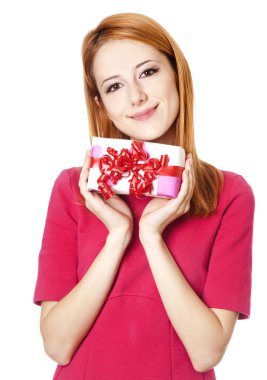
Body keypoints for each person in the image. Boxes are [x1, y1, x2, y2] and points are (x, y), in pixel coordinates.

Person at [33, 12, 255, 380]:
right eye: (114, 86)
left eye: (148, 72)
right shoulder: (74, 190)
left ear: (177, 74)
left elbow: (206, 353)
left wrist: (152, 237)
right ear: (101, 104)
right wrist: (117, 236)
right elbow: (57, 345)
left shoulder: (228, 193)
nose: (136, 97)